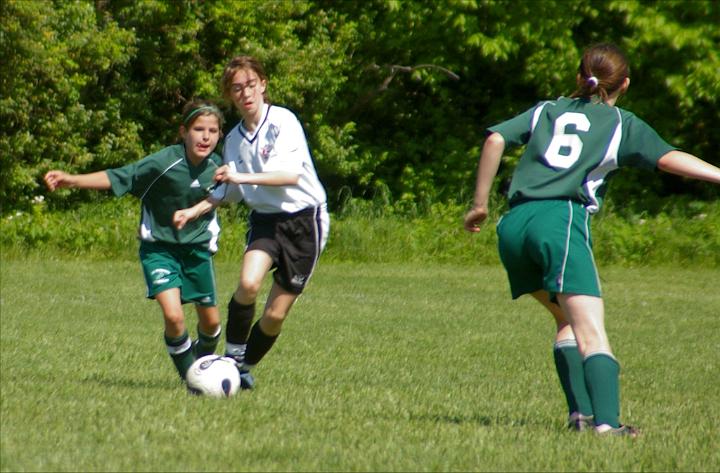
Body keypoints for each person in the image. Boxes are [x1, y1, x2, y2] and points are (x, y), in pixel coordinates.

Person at [463, 43, 720, 436]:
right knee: (592, 330)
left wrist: (479, 205)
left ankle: (581, 415)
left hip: (513, 226)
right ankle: (607, 426)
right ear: (625, 84)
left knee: (565, 318)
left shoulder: (546, 110)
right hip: (559, 221)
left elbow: (496, 139)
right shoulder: (619, 123)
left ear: (579, 76)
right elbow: (667, 158)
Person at [174, 56, 329, 390]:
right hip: (266, 221)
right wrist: (194, 210)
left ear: (263, 85)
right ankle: (231, 359)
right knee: (247, 284)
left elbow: (289, 175)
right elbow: (229, 191)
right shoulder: (233, 140)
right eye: (236, 88)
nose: (245, 93)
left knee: (274, 315)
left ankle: (244, 368)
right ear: (230, 95)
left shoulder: (283, 121)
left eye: (250, 85)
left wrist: (239, 176)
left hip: (305, 221)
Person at [44, 99, 226, 383]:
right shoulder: (163, 162)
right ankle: (192, 380)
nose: (205, 137)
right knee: (174, 317)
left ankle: (203, 369)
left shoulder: (219, 168)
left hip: (197, 252)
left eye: (212, 131)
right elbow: (120, 176)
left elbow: (236, 192)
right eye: (198, 129)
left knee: (212, 324)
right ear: (183, 132)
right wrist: (72, 179)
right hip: (159, 250)